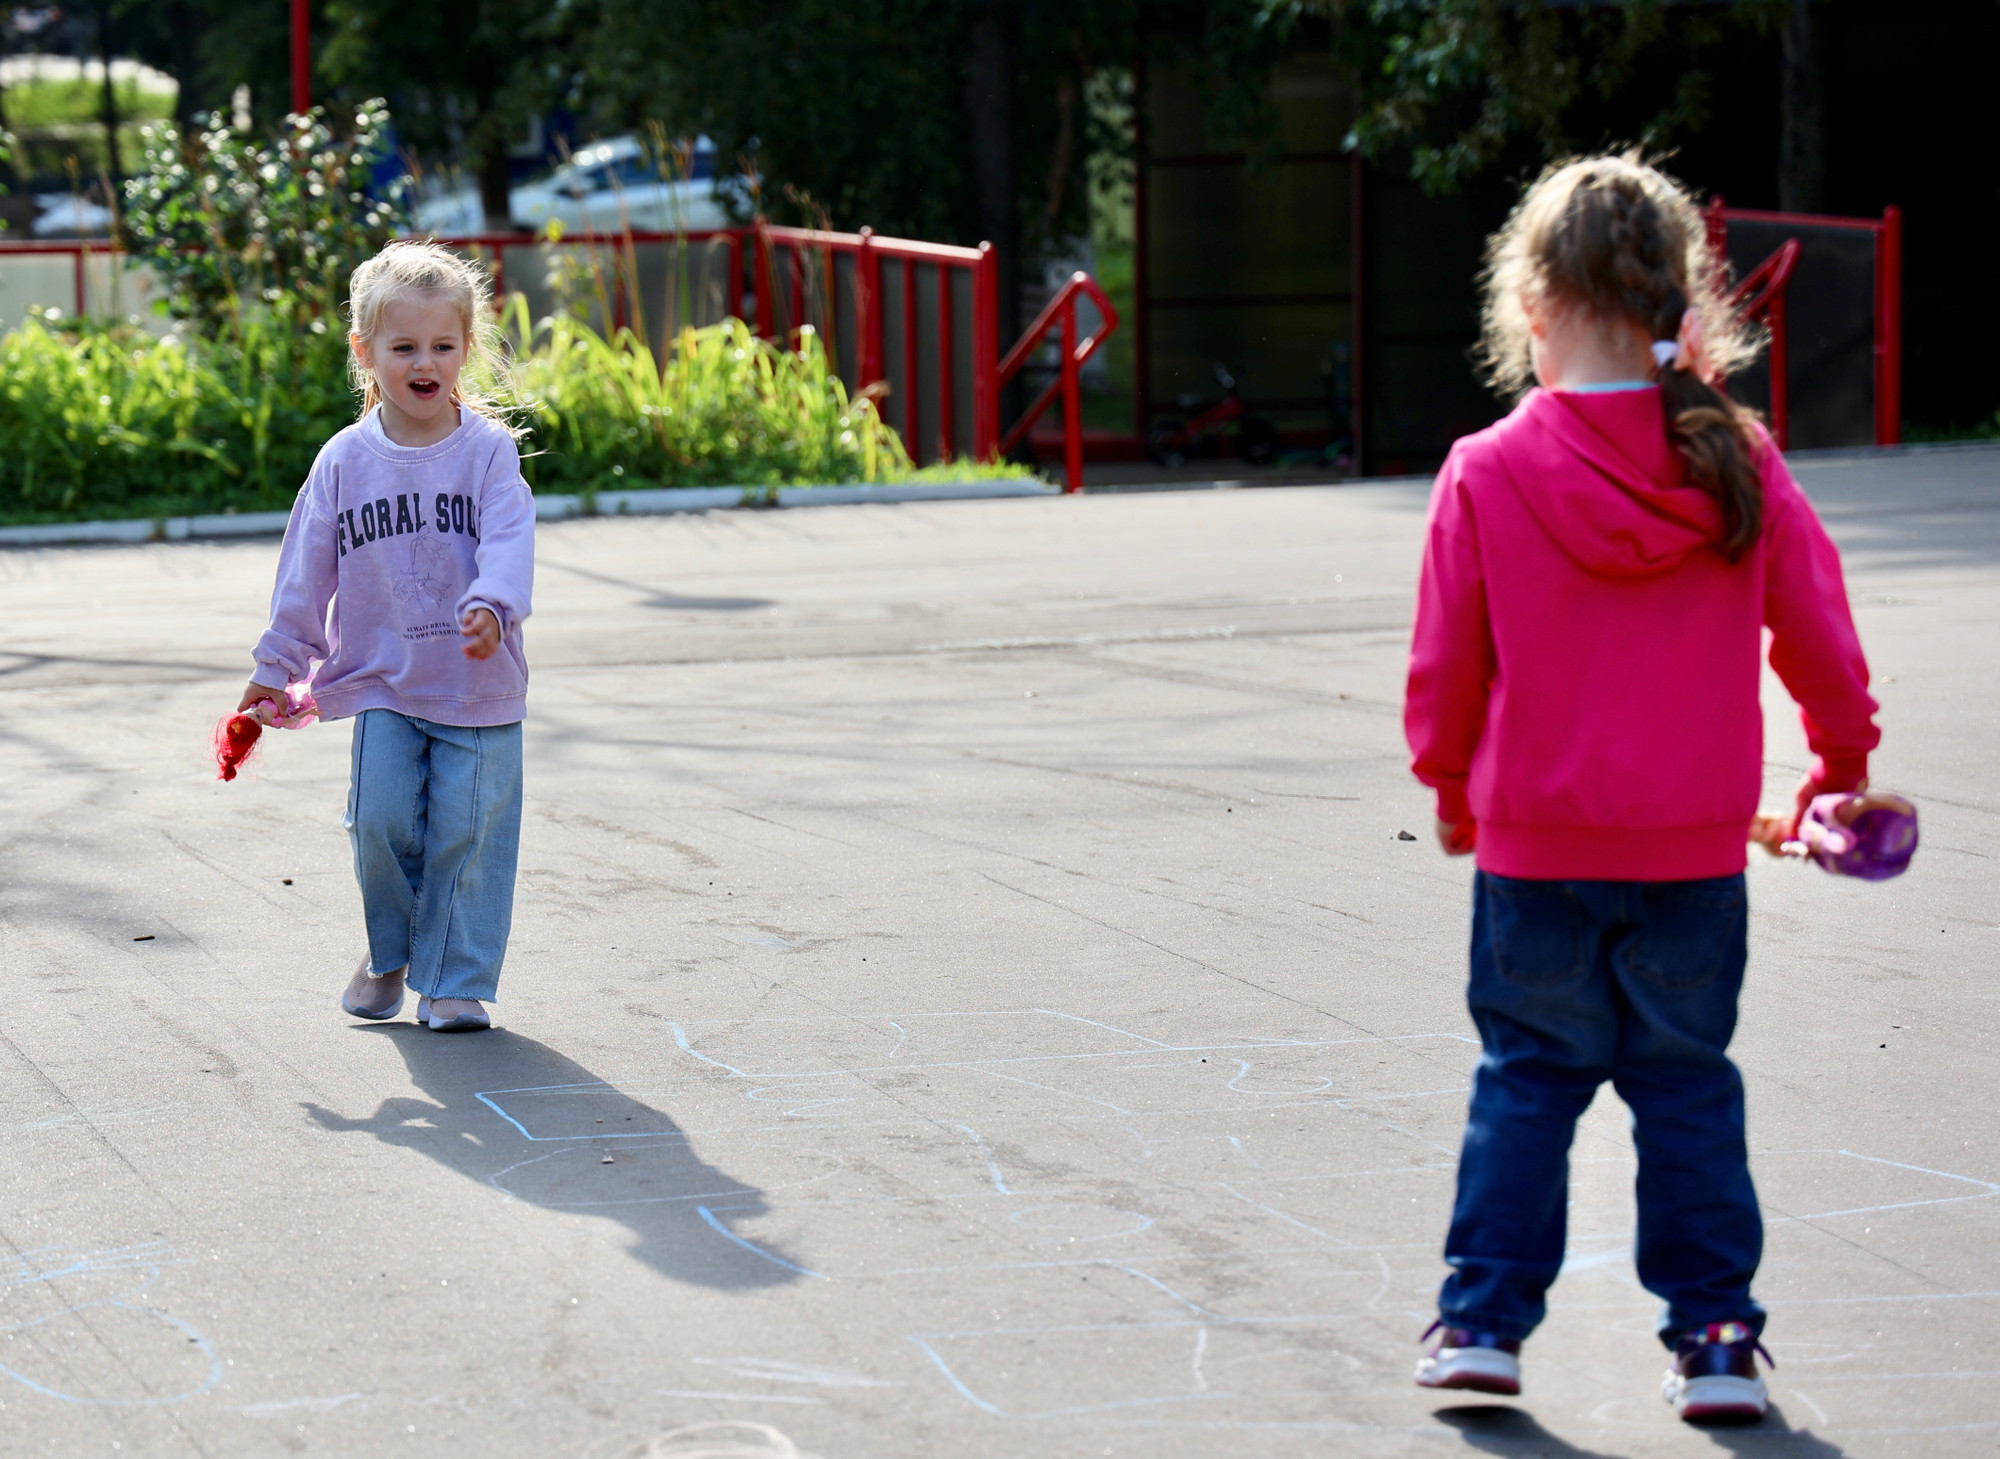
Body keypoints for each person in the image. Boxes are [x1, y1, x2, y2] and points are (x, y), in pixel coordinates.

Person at [1402, 154, 1879, 1424]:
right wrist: (1840, 766)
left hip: (1533, 853)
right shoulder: (1734, 460)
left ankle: (1480, 1326)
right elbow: (1818, 634)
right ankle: (1714, 1338)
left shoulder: (1487, 469)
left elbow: (1446, 659)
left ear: (1528, 304)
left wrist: (1450, 785)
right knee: (1683, 1085)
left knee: (1524, 1078)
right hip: (1689, 861)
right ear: (1679, 304)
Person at [237, 240, 535, 1034]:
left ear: (466, 349)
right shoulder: (344, 462)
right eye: (404, 347)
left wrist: (493, 604)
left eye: (443, 345)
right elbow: (305, 573)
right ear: (365, 351)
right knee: (380, 826)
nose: (425, 361)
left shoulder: (488, 454)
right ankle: (389, 952)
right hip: (385, 682)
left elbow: (510, 539)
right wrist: (277, 668)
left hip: (478, 685)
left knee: (469, 837)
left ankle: (455, 983)